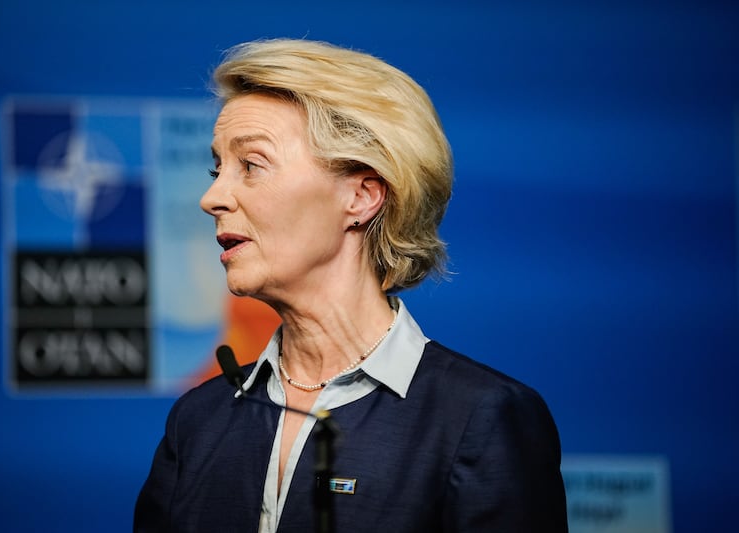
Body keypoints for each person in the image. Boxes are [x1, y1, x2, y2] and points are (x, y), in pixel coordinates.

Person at [134, 38, 567, 532]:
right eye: (216, 169)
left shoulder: (480, 418)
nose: (212, 197)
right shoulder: (197, 421)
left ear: (361, 196)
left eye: (250, 165)